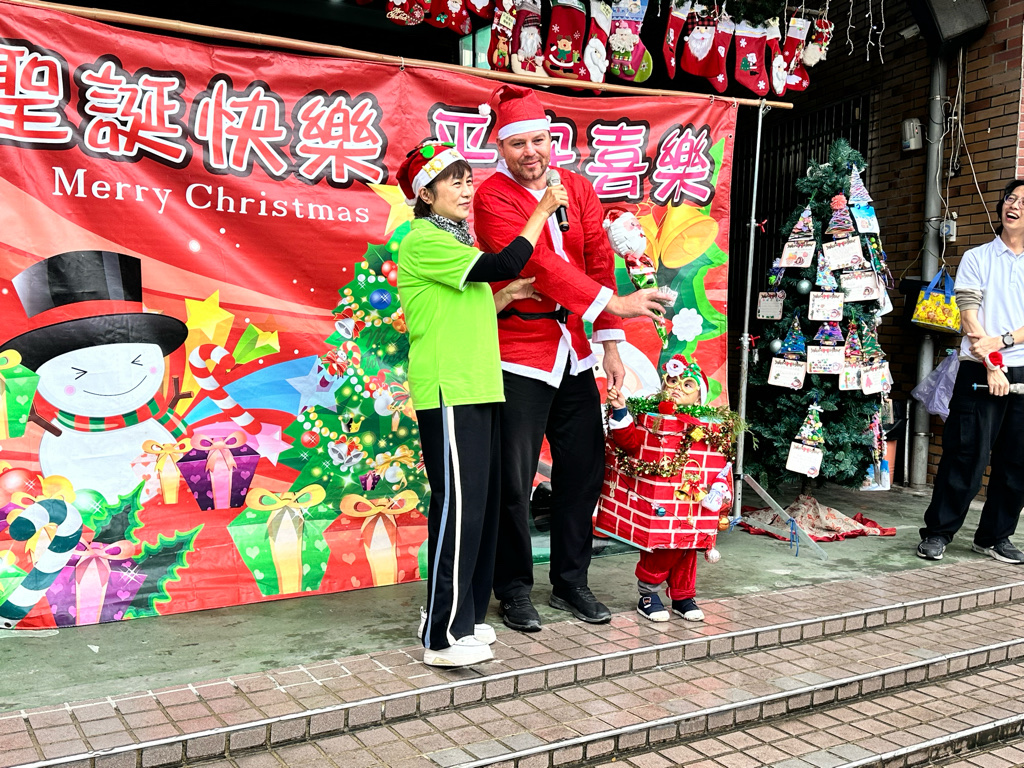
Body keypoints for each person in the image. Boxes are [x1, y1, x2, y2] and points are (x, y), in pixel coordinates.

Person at [473, 84, 671, 632]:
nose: (530, 152)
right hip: (518, 353)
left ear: (551, 140)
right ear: (501, 146)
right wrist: (616, 304)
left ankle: (570, 582)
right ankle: (513, 588)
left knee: (583, 471)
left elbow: (597, 260)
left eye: (538, 140)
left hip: (575, 351)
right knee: (513, 480)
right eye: (518, 143)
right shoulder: (491, 198)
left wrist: (610, 342)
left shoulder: (577, 188)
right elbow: (537, 266)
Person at [396, 140, 568, 667]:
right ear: (427, 194)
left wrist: (506, 298)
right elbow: (505, 261)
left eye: (469, 179)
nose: (467, 189)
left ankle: (463, 617)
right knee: (458, 508)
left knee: (479, 508)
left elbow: (462, 309)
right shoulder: (424, 239)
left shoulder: (454, 241)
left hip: (478, 386)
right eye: (455, 181)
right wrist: (542, 210)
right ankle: (441, 637)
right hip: (449, 389)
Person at [918, 178, 1024, 564]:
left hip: (1022, 371)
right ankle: (938, 532)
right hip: (978, 369)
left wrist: (1004, 341)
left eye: (1023, 202)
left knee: (1017, 462)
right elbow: (968, 318)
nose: (1014, 205)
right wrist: (993, 363)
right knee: (965, 456)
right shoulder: (977, 257)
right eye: (1010, 198)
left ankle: (994, 537)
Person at [605, 356, 731, 622]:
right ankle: (648, 594)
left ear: (699, 396)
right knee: (663, 546)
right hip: (661, 500)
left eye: (687, 384)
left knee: (689, 547)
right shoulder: (652, 420)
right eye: (672, 381)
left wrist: (721, 488)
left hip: (695, 498)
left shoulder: (709, 426)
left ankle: (683, 596)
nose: (676, 388)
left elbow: (720, 461)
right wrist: (620, 411)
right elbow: (629, 442)